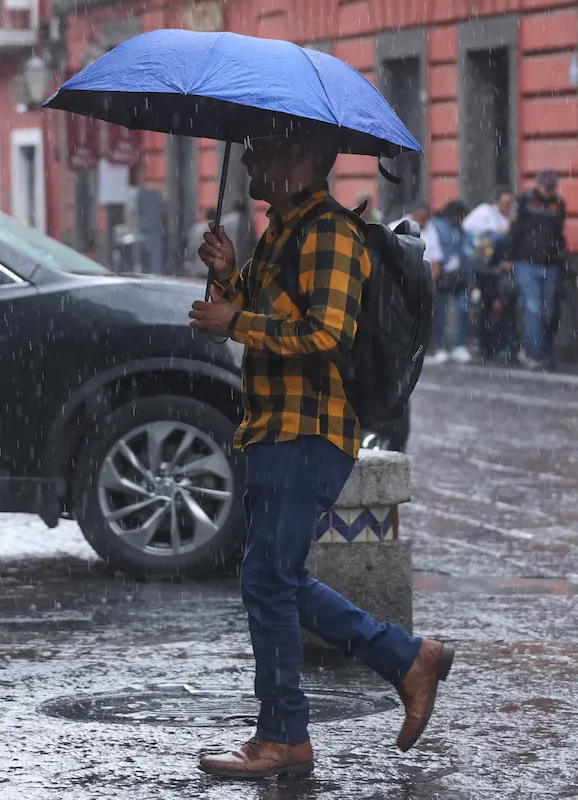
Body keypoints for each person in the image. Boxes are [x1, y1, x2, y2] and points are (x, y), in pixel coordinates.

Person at [188, 123, 453, 780]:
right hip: (275, 428)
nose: (247, 154)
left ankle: (284, 734)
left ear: (299, 158)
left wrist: (236, 321)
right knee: (273, 577)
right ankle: (405, 659)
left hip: (309, 432)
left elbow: (327, 334)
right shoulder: (282, 229)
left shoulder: (329, 233)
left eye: (262, 147)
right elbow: (269, 306)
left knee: (269, 578)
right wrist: (229, 277)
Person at [507, 169, 567, 368]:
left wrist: (560, 257)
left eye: (552, 188)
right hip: (526, 262)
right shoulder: (524, 201)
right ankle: (534, 353)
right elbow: (514, 230)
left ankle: (538, 349)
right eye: (546, 187)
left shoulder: (558, 204)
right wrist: (509, 257)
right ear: (538, 185)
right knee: (532, 309)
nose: (549, 191)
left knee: (547, 312)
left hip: (549, 264)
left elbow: (558, 234)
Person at [463, 186, 520, 363]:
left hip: (504, 270)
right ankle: (485, 345)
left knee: (506, 308)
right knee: (486, 307)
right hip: (485, 269)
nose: (508, 206)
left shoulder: (513, 217)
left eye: (510, 203)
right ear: (497, 202)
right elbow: (468, 227)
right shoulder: (485, 212)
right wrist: (492, 231)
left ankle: (503, 346)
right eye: (505, 203)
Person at [429, 200, 472, 364]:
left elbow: (463, 248)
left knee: (462, 309)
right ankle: (440, 346)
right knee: (441, 312)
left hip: (458, 275)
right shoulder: (437, 226)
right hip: (442, 274)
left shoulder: (460, 229)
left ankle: (459, 345)